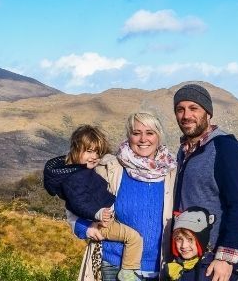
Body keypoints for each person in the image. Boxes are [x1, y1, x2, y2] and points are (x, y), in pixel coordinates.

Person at [69, 112, 177, 281]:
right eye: (136, 133)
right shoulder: (111, 167)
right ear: (129, 136)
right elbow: (74, 198)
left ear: (159, 136)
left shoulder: (172, 173)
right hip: (113, 265)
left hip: (158, 269)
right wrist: (85, 228)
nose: (143, 139)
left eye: (150, 133)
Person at [44, 125, 143, 281]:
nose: (94, 156)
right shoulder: (76, 178)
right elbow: (77, 204)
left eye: (97, 152)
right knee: (134, 238)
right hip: (103, 228)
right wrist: (93, 219)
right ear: (75, 150)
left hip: (105, 220)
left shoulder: (83, 171)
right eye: (89, 151)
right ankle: (129, 272)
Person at [172, 84, 238, 281]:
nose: (186, 115)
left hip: (214, 264)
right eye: (180, 109)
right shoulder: (184, 151)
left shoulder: (224, 148)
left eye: (193, 108)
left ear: (208, 113)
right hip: (188, 260)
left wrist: (226, 259)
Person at [165, 206, 238, 281]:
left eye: (190, 239)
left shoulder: (209, 272)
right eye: (179, 239)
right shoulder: (175, 264)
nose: (184, 245)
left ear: (201, 241)